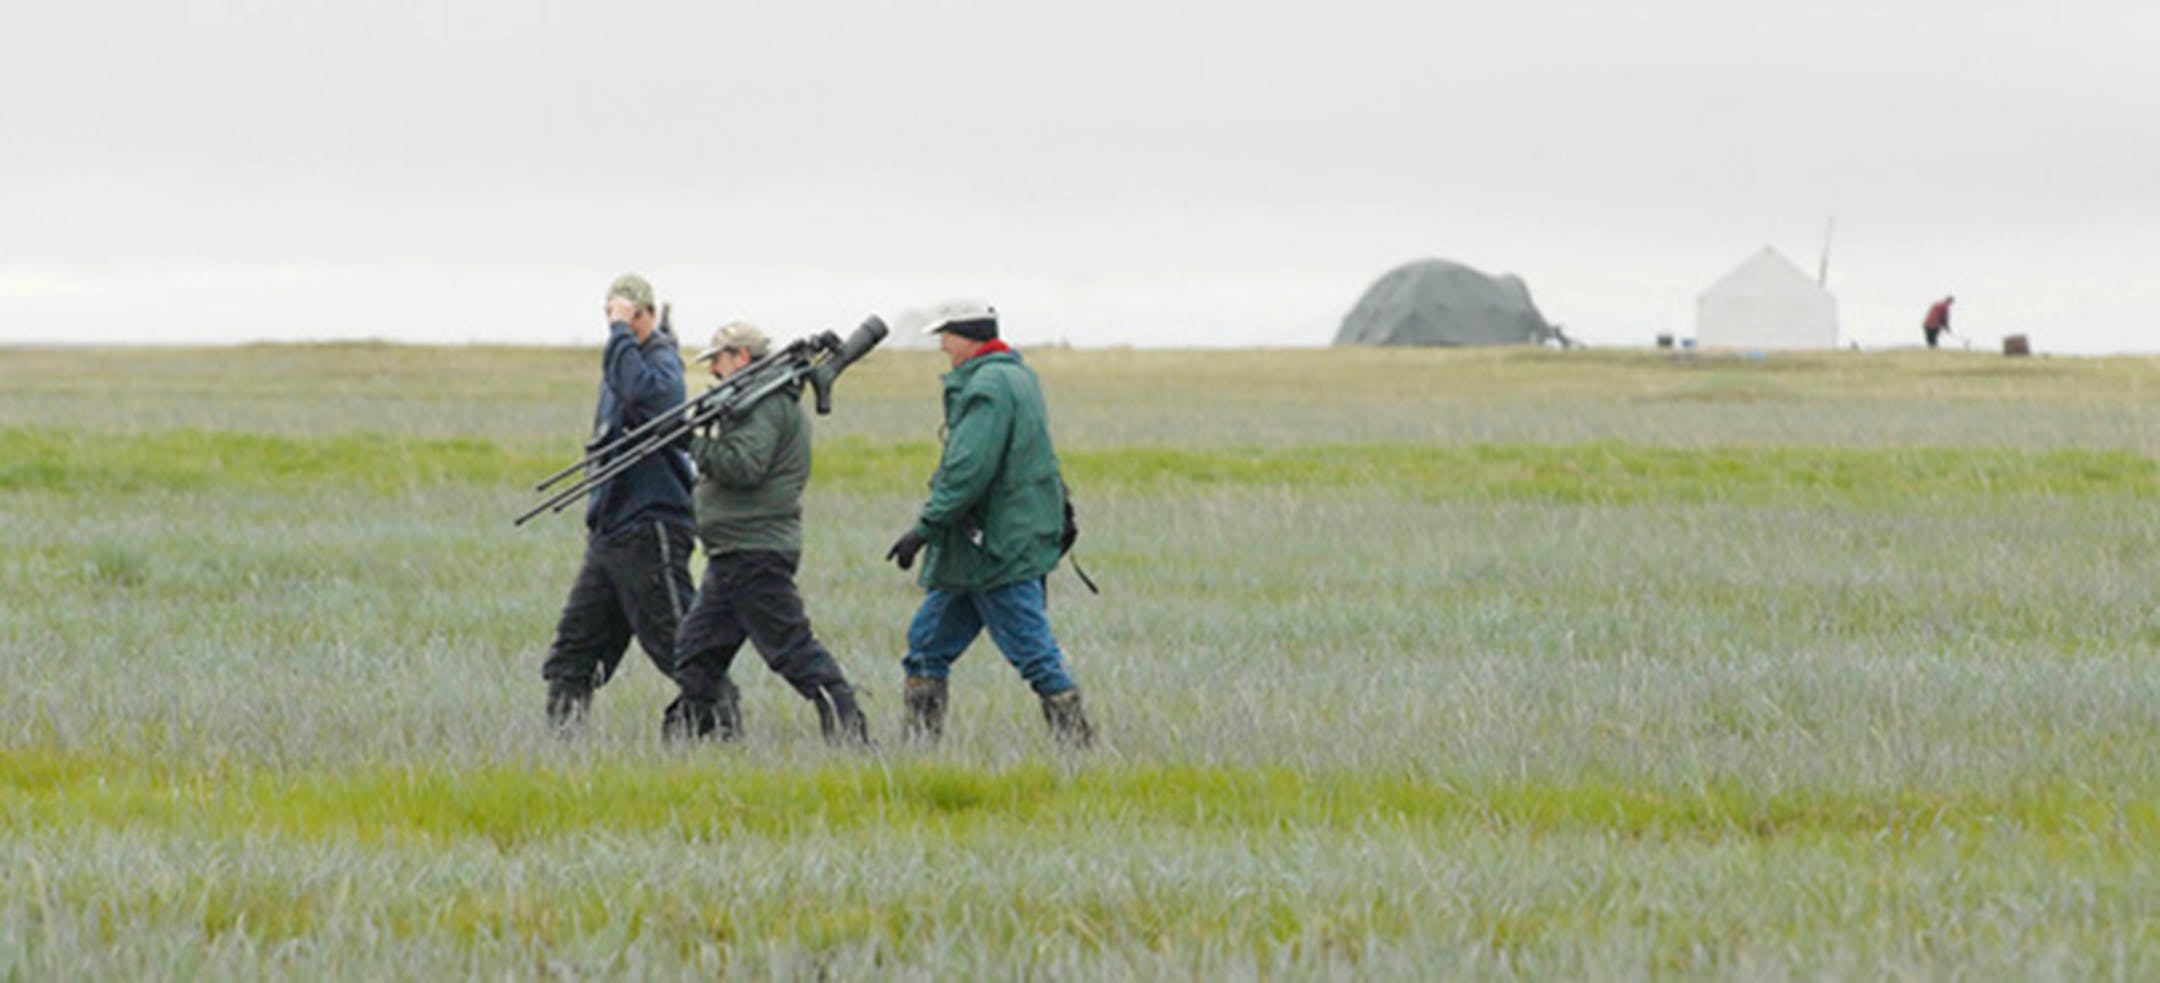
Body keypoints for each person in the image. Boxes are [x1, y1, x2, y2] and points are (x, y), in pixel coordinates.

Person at [885, 300, 1095, 748]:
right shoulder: (1019, 375)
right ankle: (917, 752)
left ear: (968, 336)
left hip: (996, 550)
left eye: (946, 336)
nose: (942, 346)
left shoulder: (989, 386)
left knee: (1034, 654)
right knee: (926, 645)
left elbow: (966, 471)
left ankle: (1080, 748)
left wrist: (922, 530)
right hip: (984, 547)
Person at [670, 322, 870, 743]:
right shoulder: (755, 399)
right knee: (696, 651)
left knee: (791, 650)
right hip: (734, 549)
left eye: (719, 361)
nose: (715, 372)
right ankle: (693, 741)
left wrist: (693, 444)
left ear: (741, 357)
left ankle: (851, 733)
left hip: (754, 547)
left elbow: (745, 465)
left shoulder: (765, 404)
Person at [540, 273, 700, 735]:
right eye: (610, 316)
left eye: (628, 317)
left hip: (650, 529)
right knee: (574, 651)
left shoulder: (662, 362)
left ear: (647, 315)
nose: (617, 327)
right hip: (610, 531)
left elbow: (644, 395)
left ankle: (721, 729)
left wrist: (620, 335)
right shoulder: (622, 360)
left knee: (680, 644)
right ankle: (564, 750)